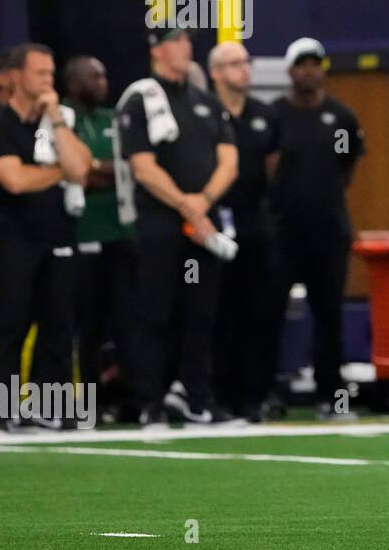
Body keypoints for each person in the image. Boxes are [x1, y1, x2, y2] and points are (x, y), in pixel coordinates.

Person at [117, 26, 238, 426]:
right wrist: (187, 206)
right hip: (160, 228)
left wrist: (202, 202)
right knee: (155, 314)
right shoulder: (141, 100)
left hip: (202, 229)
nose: (185, 47)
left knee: (201, 315)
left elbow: (228, 161)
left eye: (187, 41)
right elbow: (142, 166)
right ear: (157, 50)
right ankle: (149, 402)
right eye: (176, 41)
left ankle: (197, 399)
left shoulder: (204, 101)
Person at [0, 44, 91, 431]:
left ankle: (49, 407)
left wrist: (55, 118)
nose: (48, 80)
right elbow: (14, 180)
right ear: (13, 76)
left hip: (58, 236)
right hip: (11, 240)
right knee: (8, 325)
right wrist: (58, 173)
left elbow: (81, 169)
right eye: (40, 73)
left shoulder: (57, 122)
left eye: (52, 73)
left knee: (58, 327)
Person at [267, 37, 365, 420]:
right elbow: (268, 168)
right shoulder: (274, 115)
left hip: (328, 233)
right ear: (291, 71)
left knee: (329, 317)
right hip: (282, 232)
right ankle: (267, 396)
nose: (309, 70)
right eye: (302, 64)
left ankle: (333, 399)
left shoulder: (341, 117)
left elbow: (347, 168)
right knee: (269, 314)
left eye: (315, 63)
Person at [208, 41, 279, 421]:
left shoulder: (264, 115)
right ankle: (216, 396)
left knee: (257, 313)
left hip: (255, 223)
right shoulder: (203, 112)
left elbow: (273, 167)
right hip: (214, 222)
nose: (244, 70)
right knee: (218, 311)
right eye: (234, 64)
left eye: (246, 62)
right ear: (216, 72)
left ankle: (253, 398)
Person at [64, 56, 136, 419]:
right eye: (94, 75)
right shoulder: (62, 119)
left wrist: (95, 167)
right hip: (81, 236)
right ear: (74, 81)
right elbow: (75, 174)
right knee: (86, 325)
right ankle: (86, 405)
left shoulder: (113, 119)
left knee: (128, 322)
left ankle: (129, 402)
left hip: (121, 235)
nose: (102, 80)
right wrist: (97, 171)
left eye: (104, 74)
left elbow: (131, 168)